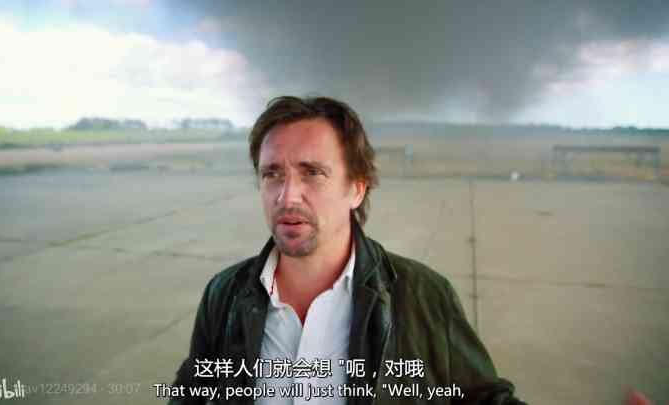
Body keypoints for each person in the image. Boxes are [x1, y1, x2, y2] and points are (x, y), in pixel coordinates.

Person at [168, 96, 526, 404]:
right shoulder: (224, 295)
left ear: (357, 189)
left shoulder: (425, 296)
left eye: (312, 173)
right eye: (272, 174)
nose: (287, 196)